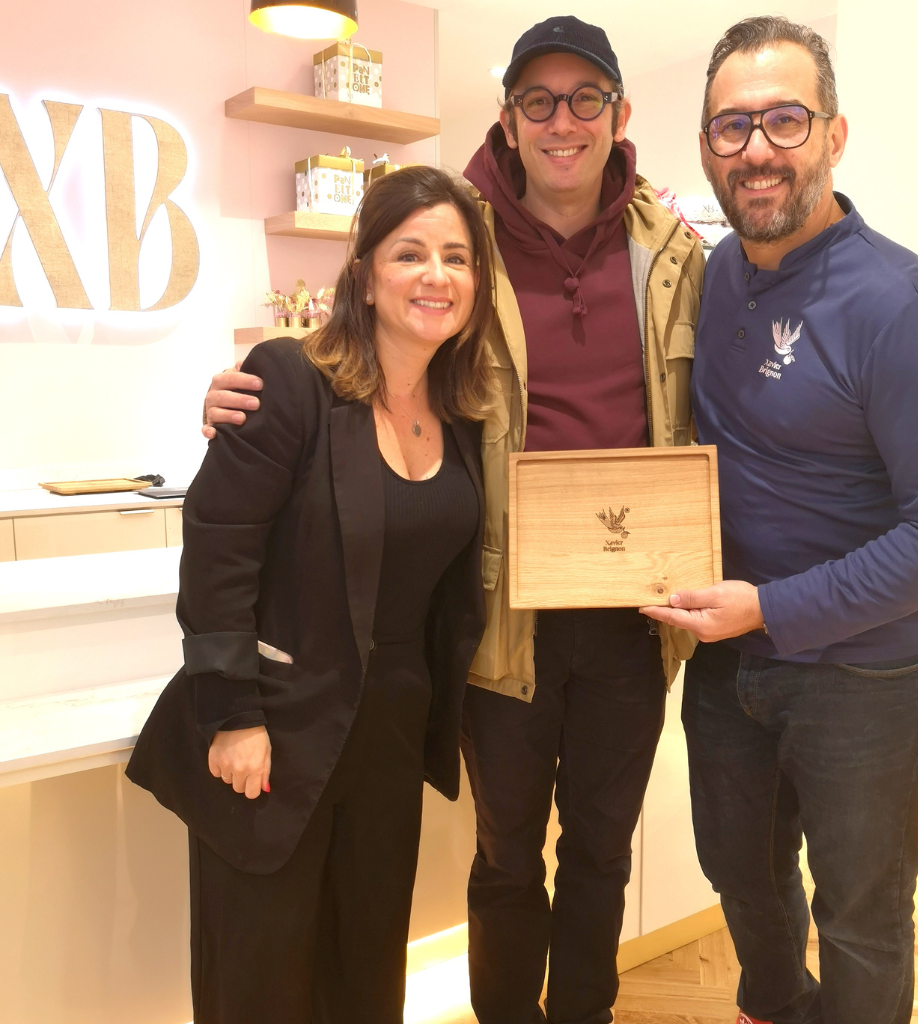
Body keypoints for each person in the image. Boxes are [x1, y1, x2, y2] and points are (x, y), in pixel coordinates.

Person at [203, 16, 703, 1024]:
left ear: (620, 114)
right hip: (496, 614)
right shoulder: (466, 230)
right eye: (536, 101)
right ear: (508, 120)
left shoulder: (675, 247)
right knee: (506, 853)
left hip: (633, 613)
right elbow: (383, 308)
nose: (561, 121)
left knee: (603, 848)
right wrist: (261, 383)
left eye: (584, 99)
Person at [642, 17, 918, 1024]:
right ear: (706, 146)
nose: (756, 148)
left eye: (783, 120)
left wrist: (770, 606)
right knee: (742, 875)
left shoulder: (900, 304)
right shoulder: (715, 279)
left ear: (833, 136)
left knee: (859, 915)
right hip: (729, 654)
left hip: (871, 675)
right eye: (730, 126)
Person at [127, 165, 495, 1024]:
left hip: (390, 738)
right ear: (365, 274)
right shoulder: (289, 380)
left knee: (364, 969)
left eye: (456, 257)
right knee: (260, 977)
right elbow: (220, 550)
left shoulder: (464, 410)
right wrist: (231, 715)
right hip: (275, 728)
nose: (436, 276)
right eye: (410, 254)